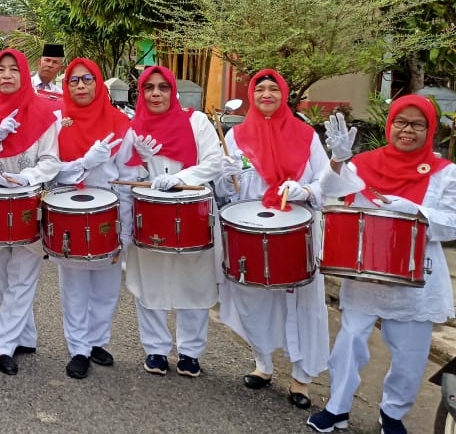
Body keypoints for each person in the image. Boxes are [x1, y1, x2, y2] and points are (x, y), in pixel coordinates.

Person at [307, 98, 456, 434]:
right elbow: (330, 191)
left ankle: (392, 413)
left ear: (430, 130)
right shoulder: (362, 164)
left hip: (416, 275)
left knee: (410, 354)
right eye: (401, 122)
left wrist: (416, 212)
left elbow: (453, 223)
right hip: (365, 271)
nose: (407, 130)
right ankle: (337, 408)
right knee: (350, 341)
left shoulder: (446, 173)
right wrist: (338, 160)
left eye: (418, 124)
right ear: (390, 124)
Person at [215, 69, 330, 409]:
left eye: (273, 88)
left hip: (296, 232)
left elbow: (327, 184)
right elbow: (227, 191)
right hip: (252, 230)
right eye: (260, 88)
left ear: (284, 95)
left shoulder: (306, 135)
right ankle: (263, 364)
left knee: (301, 303)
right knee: (254, 299)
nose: (266, 93)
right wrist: (227, 178)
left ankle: (301, 378)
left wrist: (305, 189)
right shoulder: (236, 136)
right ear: (252, 95)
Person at [0, 49, 61, 375]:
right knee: (5, 275)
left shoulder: (44, 114)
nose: (6, 75)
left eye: (13, 69)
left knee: (23, 277)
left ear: (24, 74)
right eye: (1, 70)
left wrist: (27, 177)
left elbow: (51, 161)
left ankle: (1, 345)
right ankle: (26, 335)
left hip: (28, 206)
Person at [123, 66, 223, 377]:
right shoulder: (133, 127)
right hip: (150, 211)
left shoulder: (197, 121)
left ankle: (190, 352)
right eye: (149, 88)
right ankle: (155, 349)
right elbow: (126, 174)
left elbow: (214, 162)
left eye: (162, 87)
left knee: (193, 282)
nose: (155, 94)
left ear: (172, 91)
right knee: (150, 280)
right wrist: (137, 163)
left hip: (193, 211)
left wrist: (179, 178)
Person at [51, 58, 141, 379]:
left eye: (87, 79)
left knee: (106, 286)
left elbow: (129, 178)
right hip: (70, 213)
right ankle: (78, 348)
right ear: (66, 86)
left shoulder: (120, 123)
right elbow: (51, 170)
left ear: (98, 82)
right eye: (73, 81)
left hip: (109, 212)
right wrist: (84, 163)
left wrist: (126, 231)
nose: (80, 86)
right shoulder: (57, 121)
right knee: (75, 285)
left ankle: (97, 340)